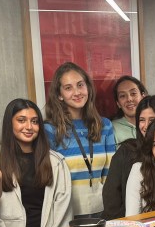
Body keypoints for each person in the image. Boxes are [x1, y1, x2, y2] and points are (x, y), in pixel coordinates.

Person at [0, 98, 73, 227]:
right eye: (21, 120)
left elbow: (63, 210)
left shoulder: (56, 162)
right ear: (9, 123)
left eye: (34, 121)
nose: (29, 127)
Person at [44, 62, 116, 217]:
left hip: (103, 211)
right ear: (59, 95)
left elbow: (110, 172)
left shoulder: (105, 126)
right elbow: (50, 178)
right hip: (66, 213)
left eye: (80, 85)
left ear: (88, 88)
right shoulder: (50, 129)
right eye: (68, 88)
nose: (77, 92)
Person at [102, 96, 155, 219]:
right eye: (142, 120)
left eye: (152, 120)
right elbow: (111, 200)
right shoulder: (126, 151)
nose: (146, 126)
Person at [110, 75, 148, 145]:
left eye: (133, 93)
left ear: (143, 97)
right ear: (118, 103)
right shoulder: (111, 129)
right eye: (122, 96)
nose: (129, 99)